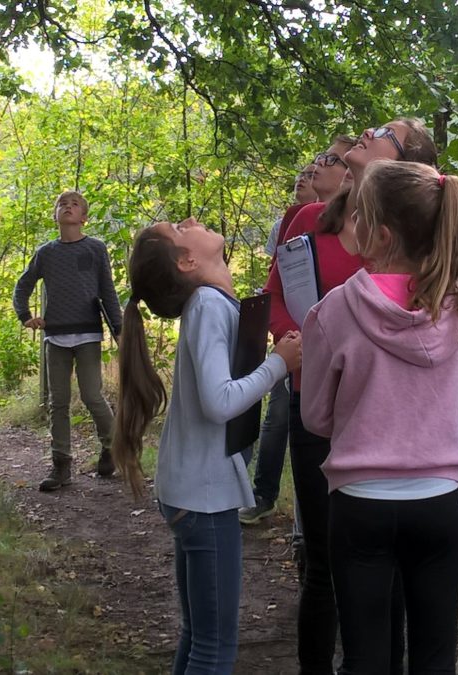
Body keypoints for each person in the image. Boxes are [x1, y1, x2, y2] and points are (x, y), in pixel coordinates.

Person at [301, 159, 458, 674]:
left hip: (361, 505)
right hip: (439, 501)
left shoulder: (334, 310)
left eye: (357, 213)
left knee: (365, 656)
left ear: (380, 235)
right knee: (435, 655)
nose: (349, 221)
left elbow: (316, 417)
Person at [264, 120, 437, 674]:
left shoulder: (415, 223)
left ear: (406, 159)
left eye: (386, 130)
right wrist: (303, 343)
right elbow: (277, 296)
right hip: (312, 402)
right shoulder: (311, 219)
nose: (367, 130)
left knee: (384, 571)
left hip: (387, 414)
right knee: (322, 562)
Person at [110, 217, 302, 674]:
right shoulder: (209, 307)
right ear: (188, 260)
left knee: (198, 637)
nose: (191, 220)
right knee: (214, 649)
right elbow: (220, 402)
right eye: (180, 228)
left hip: (189, 490)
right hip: (204, 497)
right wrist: (279, 365)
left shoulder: (210, 303)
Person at [13, 190, 122, 492]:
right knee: (57, 402)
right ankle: (61, 465)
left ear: (84, 216)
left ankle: (113, 448)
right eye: (62, 203)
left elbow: (108, 292)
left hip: (88, 334)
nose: (68, 207)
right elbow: (22, 286)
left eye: (75, 205)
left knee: (92, 395)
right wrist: (25, 316)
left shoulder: (96, 249)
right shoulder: (46, 253)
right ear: (55, 214)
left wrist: (119, 330)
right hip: (56, 337)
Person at [240, 164, 321, 526]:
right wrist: (288, 333)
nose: (302, 178)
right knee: (277, 419)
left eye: (313, 171)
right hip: (293, 341)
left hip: (335, 352)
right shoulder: (286, 223)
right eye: (299, 174)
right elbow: (278, 283)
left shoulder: (360, 222)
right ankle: (263, 495)